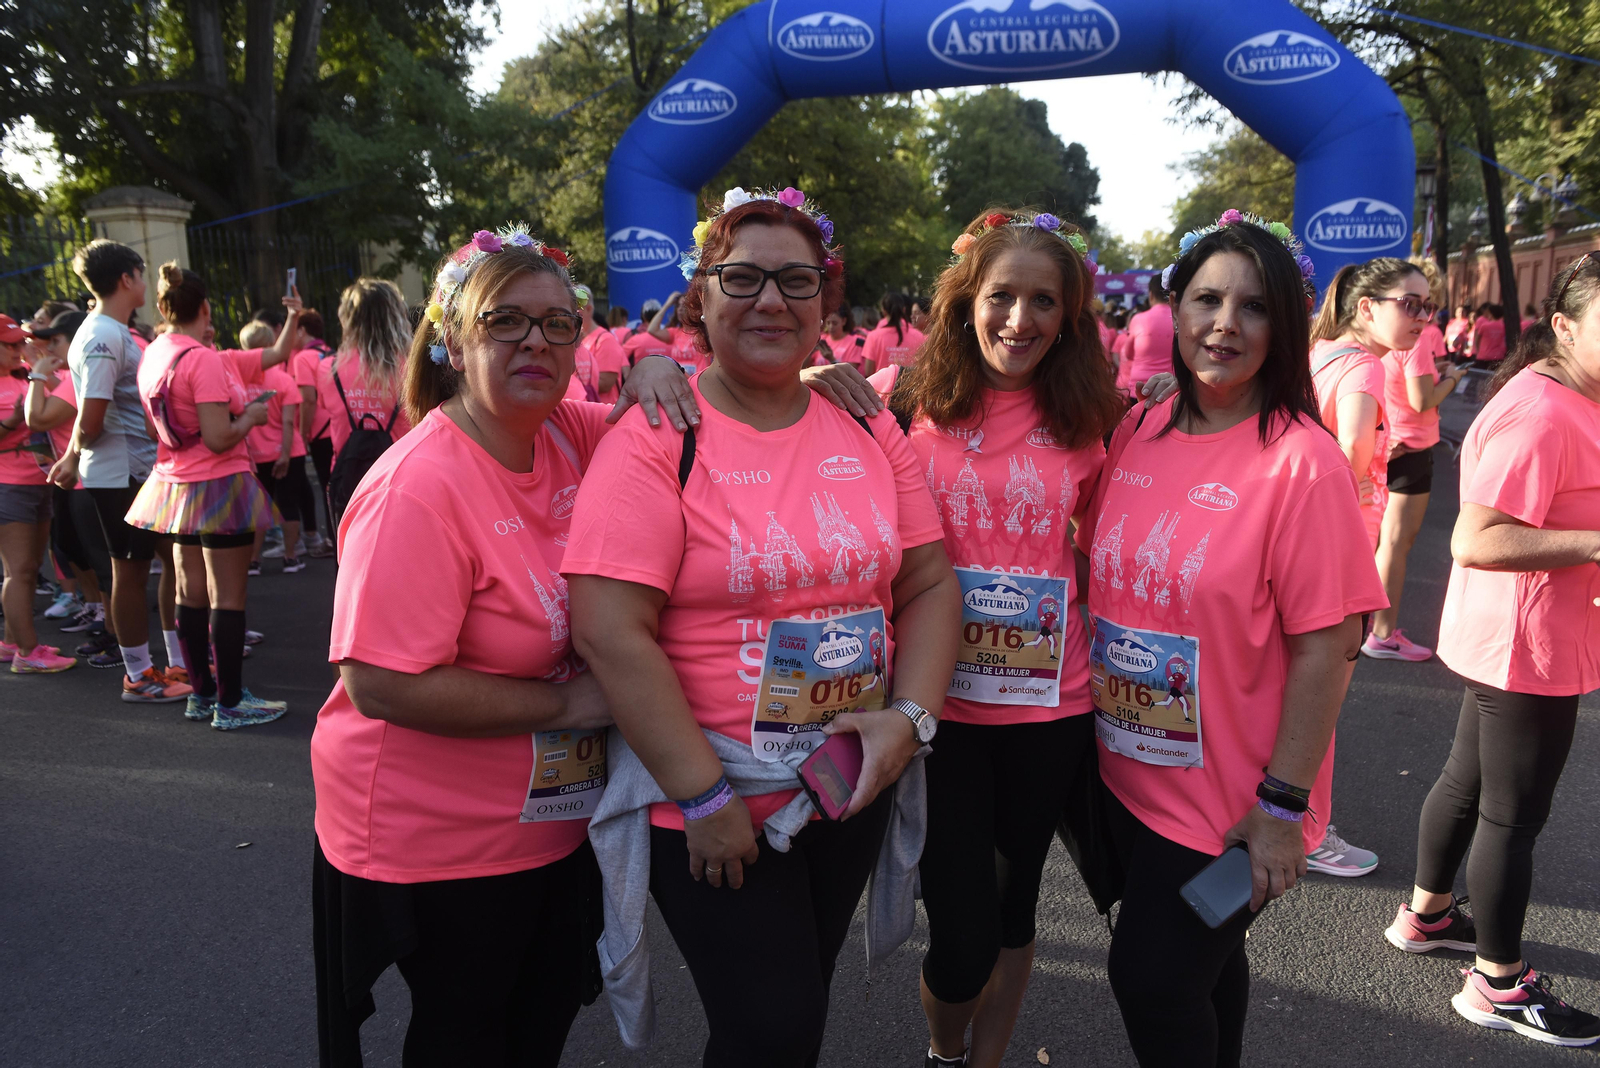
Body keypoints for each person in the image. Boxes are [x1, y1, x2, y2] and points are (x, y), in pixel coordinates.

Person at [564, 186, 961, 1068]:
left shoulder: (864, 422)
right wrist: (702, 795)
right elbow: (609, 629)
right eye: (742, 279)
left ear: (827, 301)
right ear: (700, 297)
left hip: (846, 779)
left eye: (797, 280)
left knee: (788, 1016)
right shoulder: (661, 432)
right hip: (713, 792)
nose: (772, 300)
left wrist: (908, 724)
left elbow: (931, 581)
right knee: (773, 1028)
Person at [311, 223, 699, 1067]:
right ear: (452, 339)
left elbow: (688, 417)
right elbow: (379, 681)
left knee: (545, 1012)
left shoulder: (565, 431)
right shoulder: (416, 489)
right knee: (470, 1035)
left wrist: (658, 365)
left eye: (557, 324)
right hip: (437, 831)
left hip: (555, 813)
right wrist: (566, 702)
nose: (536, 341)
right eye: (504, 321)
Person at [1074, 211, 1387, 1068]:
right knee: (1207, 974)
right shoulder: (1142, 425)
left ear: (1284, 325)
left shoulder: (1303, 462)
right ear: (1174, 312)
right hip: (1127, 776)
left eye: (1252, 308)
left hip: (1232, 809)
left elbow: (1330, 645)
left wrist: (1282, 810)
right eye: (1206, 299)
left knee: (1153, 983)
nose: (1223, 324)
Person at [869, 209, 1126, 1068]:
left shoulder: (1099, 418)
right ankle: (946, 1051)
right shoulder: (904, 402)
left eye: (1043, 301)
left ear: (1070, 314)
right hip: (935, 707)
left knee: (1016, 916)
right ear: (966, 301)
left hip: (1050, 709)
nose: (1021, 320)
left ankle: (985, 1062)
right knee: (962, 933)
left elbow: (1115, 546)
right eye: (1002, 296)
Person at [1385, 255, 1600, 1049]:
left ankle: (1427, 914)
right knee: (1514, 818)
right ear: (1567, 327)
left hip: (1519, 637)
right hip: (1527, 645)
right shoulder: (1541, 411)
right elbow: (1477, 538)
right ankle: (1497, 984)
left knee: (1467, 784)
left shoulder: (1572, 392)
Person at [127, 262, 298, 728]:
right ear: (204, 308)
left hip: (175, 485)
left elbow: (153, 428)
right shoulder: (201, 358)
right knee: (228, 597)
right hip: (220, 483)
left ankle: (201, 695)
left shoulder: (154, 351)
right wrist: (253, 419)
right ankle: (230, 702)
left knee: (190, 592)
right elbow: (220, 437)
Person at [52, 240, 192, 701]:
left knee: (172, 563)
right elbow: (91, 416)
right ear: (127, 279)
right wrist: (73, 455)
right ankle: (138, 674)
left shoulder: (112, 331)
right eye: (141, 272)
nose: (147, 281)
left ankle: (176, 662)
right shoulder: (103, 335)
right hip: (119, 474)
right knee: (130, 573)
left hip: (139, 471)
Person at [1366, 260, 1467, 662]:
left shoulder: (1388, 338)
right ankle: (1382, 633)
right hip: (1409, 448)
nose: (1424, 315)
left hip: (1390, 445)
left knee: (1381, 541)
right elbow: (1423, 399)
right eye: (1416, 304)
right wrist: (1454, 378)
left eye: (1427, 306)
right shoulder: (1419, 339)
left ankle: (1371, 628)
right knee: (1394, 544)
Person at [24, 310, 113, 634]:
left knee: (100, 560)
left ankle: (114, 631)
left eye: (56, 341)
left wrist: (36, 374)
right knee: (73, 549)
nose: (50, 348)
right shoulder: (70, 376)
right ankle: (97, 610)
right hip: (71, 478)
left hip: (86, 480)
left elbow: (38, 418)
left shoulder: (80, 379)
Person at [0, 313, 74, 672]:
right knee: (20, 570)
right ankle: (27, 655)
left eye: (20, 342)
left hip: (38, 480)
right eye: (9, 344)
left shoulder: (23, 375)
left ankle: (12, 642)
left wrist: (33, 363)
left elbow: (66, 390)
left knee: (28, 567)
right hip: (8, 484)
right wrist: (12, 421)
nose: (18, 349)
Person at [315, 278, 413, 528]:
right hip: (406, 480)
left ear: (347, 319)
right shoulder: (414, 367)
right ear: (395, 314)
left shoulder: (328, 369)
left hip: (349, 481)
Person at [240, 321, 308, 575]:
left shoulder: (237, 379)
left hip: (254, 456)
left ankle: (254, 560)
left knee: (257, 509)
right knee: (289, 504)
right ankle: (290, 557)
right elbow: (289, 421)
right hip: (289, 452)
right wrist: (285, 455)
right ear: (270, 345)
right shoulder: (283, 379)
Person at [289, 307, 336, 558]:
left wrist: (303, 433)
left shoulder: (302, 358)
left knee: (327, 486)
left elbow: (307, 398)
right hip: (336, 425)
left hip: (318, 431)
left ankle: (332, 538)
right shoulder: (329, 352)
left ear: (302, 330)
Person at [572, 288, 627, 404]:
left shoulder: (605, 340)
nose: (571, 316)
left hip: (602, 414)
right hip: (582, 412)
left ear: (589, 309)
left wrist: (569, 384)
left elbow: (606, 383)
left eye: (575, 311)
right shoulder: (578, 339)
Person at [1122, 275, 1175, 394]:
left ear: (1151, 295)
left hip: (1140, 388)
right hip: (1170, 387)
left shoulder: (1138, 319)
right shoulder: (1179, 319)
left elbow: (1128, 353)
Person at [861, 291, 926, 374]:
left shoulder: (873, 336)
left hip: (881, 386)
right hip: (911, 386)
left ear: (883, 311)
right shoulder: (918, 335)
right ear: (904, 309)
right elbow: (923, 367)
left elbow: (869, 372)